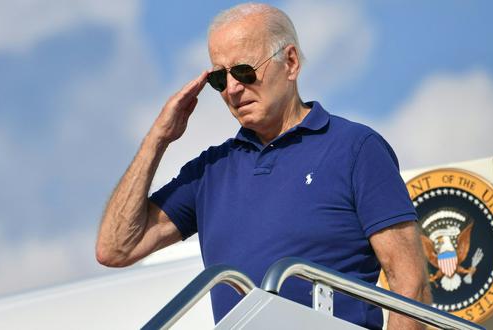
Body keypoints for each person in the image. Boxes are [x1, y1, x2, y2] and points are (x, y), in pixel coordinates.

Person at [96, 3, 430, 329]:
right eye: (218, 78)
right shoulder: (211, 170)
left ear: (291, 62)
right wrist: (158, 138)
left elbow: (410, 285)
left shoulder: (355, 148)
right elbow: (116, 248)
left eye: (244, 71)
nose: (232, 88)